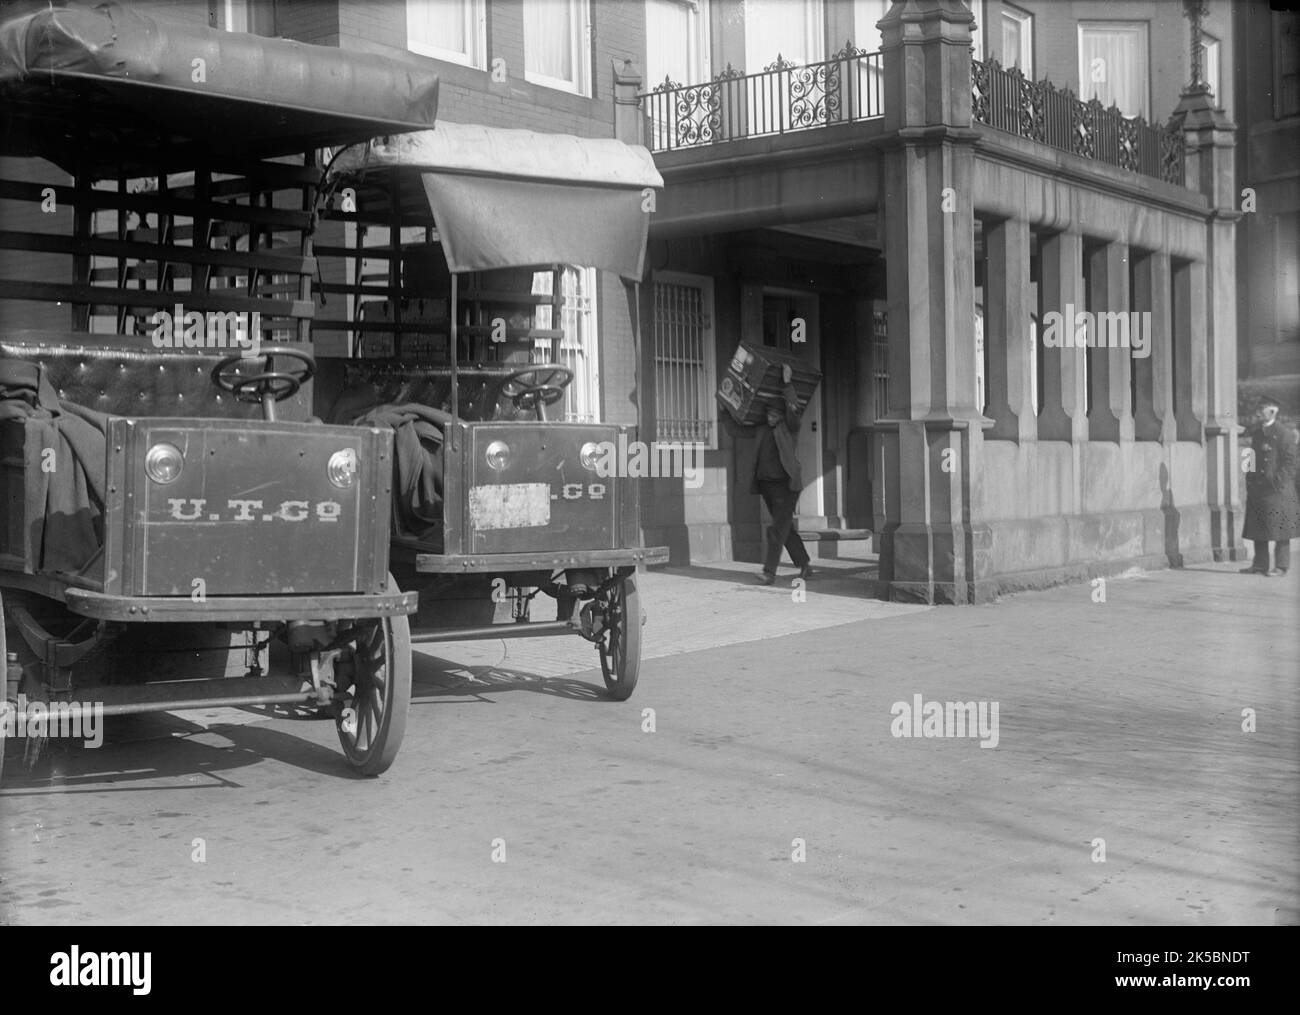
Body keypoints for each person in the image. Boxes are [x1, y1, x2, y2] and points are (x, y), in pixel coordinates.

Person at [736, 363, 813, 586]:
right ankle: (805, 564)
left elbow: (794, 411)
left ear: (781, 415)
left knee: (776, 529)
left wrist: (787, 384)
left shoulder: (789, 428)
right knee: (785, 528)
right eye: (769, 413)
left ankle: (769, 572)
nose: (771, 417)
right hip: (767, 486)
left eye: (775, 414)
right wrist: (726, 412)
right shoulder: (763, 429)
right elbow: (739, 430)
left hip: (786, 486)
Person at [1240, 397, 1300, 576]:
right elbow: (1249, 456)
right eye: (1259, 407)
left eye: (1263, 408)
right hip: (1258, 488)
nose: (1259, 411)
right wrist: (1249, 479)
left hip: (1278, 490)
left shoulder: (1284, 433)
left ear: (1273, 411)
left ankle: (1281, 566)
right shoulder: (1258, 432)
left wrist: (1278, 481)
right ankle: (1259, 565)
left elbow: (1290, 462)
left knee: (1280, 529)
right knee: (1259, 526)